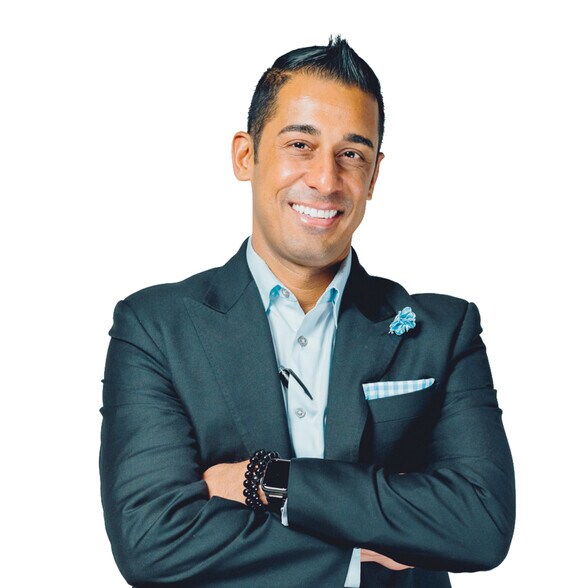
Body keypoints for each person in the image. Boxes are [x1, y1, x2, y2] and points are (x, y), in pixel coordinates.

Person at [100, 36, 515, 587]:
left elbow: (481, 523)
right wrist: (353, 557)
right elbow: (152, 540)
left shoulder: (442, 331)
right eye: (300, 145)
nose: (325, 179)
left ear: (373, 176)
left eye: (352, 155)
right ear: (246, 156)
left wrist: (267, 480)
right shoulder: (156, 328)